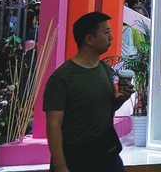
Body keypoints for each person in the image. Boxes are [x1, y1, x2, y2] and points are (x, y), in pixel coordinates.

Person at [43, 12, 135, 172]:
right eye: (106, 32)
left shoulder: (104, 68)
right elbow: (53, 124)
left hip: (108, 155)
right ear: (89, 39)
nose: (111, 37)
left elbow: (106, 107)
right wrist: (59, 165)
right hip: (78, 159)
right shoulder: (62, 77)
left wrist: (122, 98)